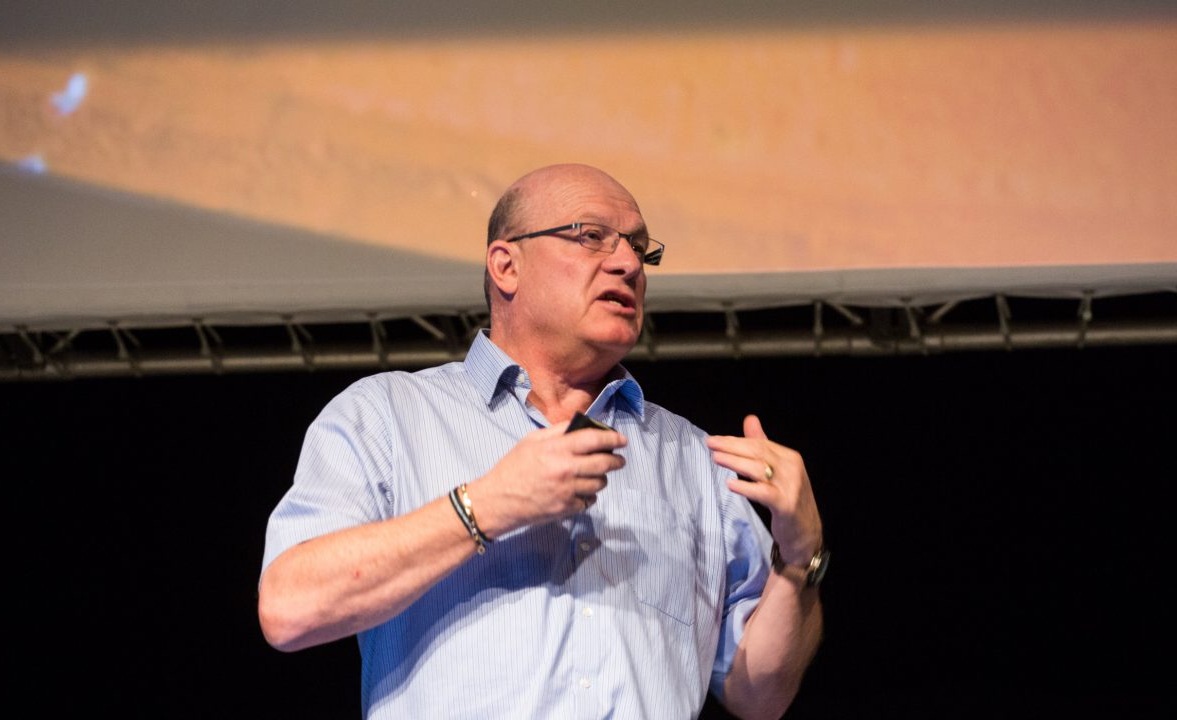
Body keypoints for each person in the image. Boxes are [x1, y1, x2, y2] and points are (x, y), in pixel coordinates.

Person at [258, 164, 825, 719]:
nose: (629, 263)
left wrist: (800, 559)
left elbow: (760, 697)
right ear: (506, 266)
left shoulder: (694, 460)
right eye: (591, 236)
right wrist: (486, 506)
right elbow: (290, 608)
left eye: (639, 248)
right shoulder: (387, 415)